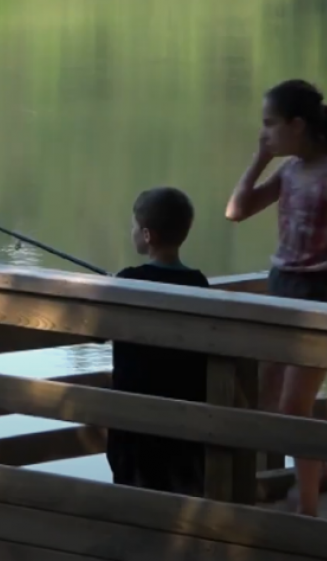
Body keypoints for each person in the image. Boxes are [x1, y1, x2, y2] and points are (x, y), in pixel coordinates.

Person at [226, 78, 327, 517]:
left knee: (293, 404)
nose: (263, 133)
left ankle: (305, 505)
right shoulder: (288, 171)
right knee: (269, 396)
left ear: (298, 125)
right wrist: (260, 157)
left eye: (270, 125)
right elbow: (237, 210)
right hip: (280, 288)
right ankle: (316, 469)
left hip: (318, 295)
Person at [107, 186, 209, 496]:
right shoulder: (198, 283)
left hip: (134, 420)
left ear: (147, 235)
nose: (133, 232)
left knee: (134, 493)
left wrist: (114, 285)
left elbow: (99, 327)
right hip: (186, 418)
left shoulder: (129, 280)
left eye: (134, 227)